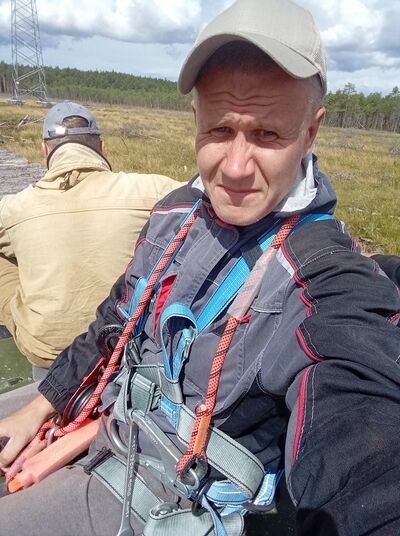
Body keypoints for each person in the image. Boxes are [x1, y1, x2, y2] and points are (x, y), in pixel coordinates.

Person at [0, 1, 399, 535]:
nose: (234, 168)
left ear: (311, 132)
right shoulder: (175, 213)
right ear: (195, 119)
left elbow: (362, 437)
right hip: (115, 421)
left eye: (268, 135)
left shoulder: (323, 279)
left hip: (168, 490)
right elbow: (116, 320)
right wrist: (44, 406)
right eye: (219, 129)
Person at [0, 101, 182, 383]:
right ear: (101, 148)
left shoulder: (14, 207)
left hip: (48, 357)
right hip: (122, 347)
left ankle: (31, 322)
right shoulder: (152, 188)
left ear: (46, 150)